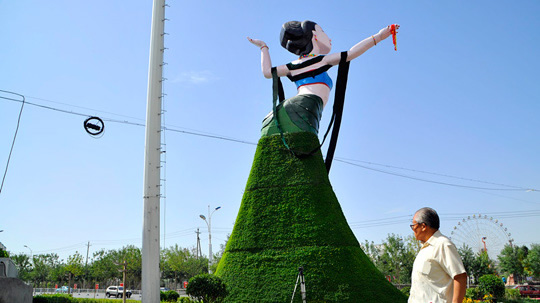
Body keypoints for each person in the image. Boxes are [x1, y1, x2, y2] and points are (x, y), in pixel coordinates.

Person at [248, 20, 399, 137]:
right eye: (322, 31)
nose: (328, 36)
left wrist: (264, 47)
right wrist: (379, 37)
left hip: (305, 108)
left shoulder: (295, 65)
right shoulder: (321, 61)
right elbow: (351, 53)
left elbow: (268, 72)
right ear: (314, 35)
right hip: (305, 106)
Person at [409, 207, 467, 303]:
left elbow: (460, 276)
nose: (413, 229)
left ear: (423, 226)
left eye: (413, 225)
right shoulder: (425, 249)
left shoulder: (443, 245)